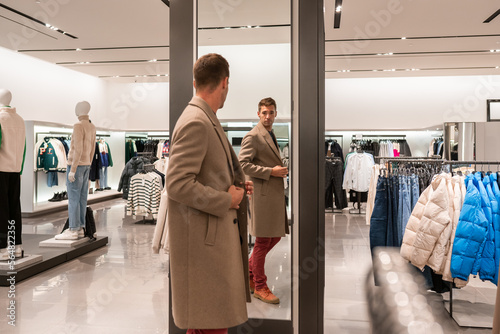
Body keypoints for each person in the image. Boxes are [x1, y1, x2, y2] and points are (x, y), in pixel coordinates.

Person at [166, 53, 253, 334]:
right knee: (211, 326)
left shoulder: (205, 117)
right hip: (204, 247)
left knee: (207, 325)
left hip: (209, 242)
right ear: (225, 82)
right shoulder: (197, 121)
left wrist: (236, 185)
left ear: (195, 82)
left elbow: (206, 173)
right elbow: (177, 183)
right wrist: (228, 199)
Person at [238, 97, 289, 304]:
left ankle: (250, 274)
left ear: (275, 114)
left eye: (271, 112)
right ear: (258, 114)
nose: (268, 116)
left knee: (274, 237)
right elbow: (243, 164)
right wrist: (271, 172)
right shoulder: (253, 136)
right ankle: (260, 285)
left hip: (272, 195)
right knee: (262, 241)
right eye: (264, 113)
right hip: (262, 196)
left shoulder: (270, 133)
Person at [55, 101, 96, 240]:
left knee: (73, 198)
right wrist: (89, 164)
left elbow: (77, 148)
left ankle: (73, 229)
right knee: (82, 197)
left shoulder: (78, 126)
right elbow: (93, 148)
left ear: (80, 110)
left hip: (76, 165)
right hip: (86, 165)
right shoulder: (92, 126)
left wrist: (72, 169)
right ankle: (80, 227)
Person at [0, 89, 26, 260]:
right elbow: (23, 149)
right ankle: (16, 245)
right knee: (14, 208)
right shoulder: (20, 119)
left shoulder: (0, 118)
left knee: (1, 209)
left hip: (1, 168)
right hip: (15, 169)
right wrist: (21, 169)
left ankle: (2, 248)